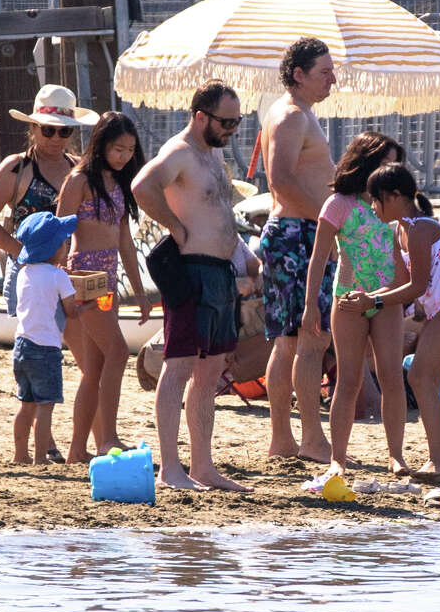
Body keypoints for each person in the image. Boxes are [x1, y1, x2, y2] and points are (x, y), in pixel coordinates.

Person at [131, 79, 251, 492]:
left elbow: (217, 213)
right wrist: (174, 226)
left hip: (220, 274)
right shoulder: (179, 152)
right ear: (201, 116)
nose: (232, 129)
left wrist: (243, 257)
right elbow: (142, 185)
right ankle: (170, 468)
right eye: (226, 121)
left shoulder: (212, 154)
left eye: (238, 121)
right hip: (190, 270)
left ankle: (203, 466)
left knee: (209, 372)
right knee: (178, 366)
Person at [341, 162, 440, 485]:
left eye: (376, 200)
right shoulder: (400, 230)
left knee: (419, 377)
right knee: (425, 382)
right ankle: (439, 465)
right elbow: (399, 283)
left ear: (395, 196)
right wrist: (367, 296)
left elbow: (417, 286)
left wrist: (372, 301)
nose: (373, 207)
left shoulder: (418, 228)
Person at [302, 131, 410, 479]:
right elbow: (318, 259)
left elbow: (404, 255)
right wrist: (310, 306)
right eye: (385, 162)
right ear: (367, 163)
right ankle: (338, 458)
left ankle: (396, 455)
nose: (391, 170)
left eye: (396, 164)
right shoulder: (339, 204)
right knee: (348, 381)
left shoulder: (394, 205)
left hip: (387, 299)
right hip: (347, 299)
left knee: (392, 377)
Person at [56, 112, 152, 464]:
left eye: (129, 150)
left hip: (108, 279)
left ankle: (77, 449)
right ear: (101, 145)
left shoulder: (118, 183)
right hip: (82, 277)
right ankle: (107, 437)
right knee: (117, 352)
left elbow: (126, 243)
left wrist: (140, 293)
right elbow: (60, 230)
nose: (124, 156)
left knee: (95, 368)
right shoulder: (80, 179)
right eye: (117, 149)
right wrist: (60, 282)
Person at [260, 36, 338, 463]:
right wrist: (329, 222)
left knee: (290, 340)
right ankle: (307, 438)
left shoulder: (297, 114)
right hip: (297, 234)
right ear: (299, 74)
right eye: (325, 72)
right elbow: (281, 180)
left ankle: (285, 441)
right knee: (307, 338)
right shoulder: (291, 116)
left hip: (296, 233)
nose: (333, 80)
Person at [0, 85, 97, 319]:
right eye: (49, 130)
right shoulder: (15, 168)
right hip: (26, 270)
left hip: (64, 272)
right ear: (33, 127)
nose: (56, 138)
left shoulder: (79, 169)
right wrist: (23, 252)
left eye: (64, 132)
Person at [11, 212, 82, 465]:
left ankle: (20, 455)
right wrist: (91, 305)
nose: (66, 246)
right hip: (46, 349)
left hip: (22, 345)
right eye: (64, 243)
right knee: (45, 406)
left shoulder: (23, 273)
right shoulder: (58, 276)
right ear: (54, 248)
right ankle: (40, 457)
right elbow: (71, 312)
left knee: (26, 404)